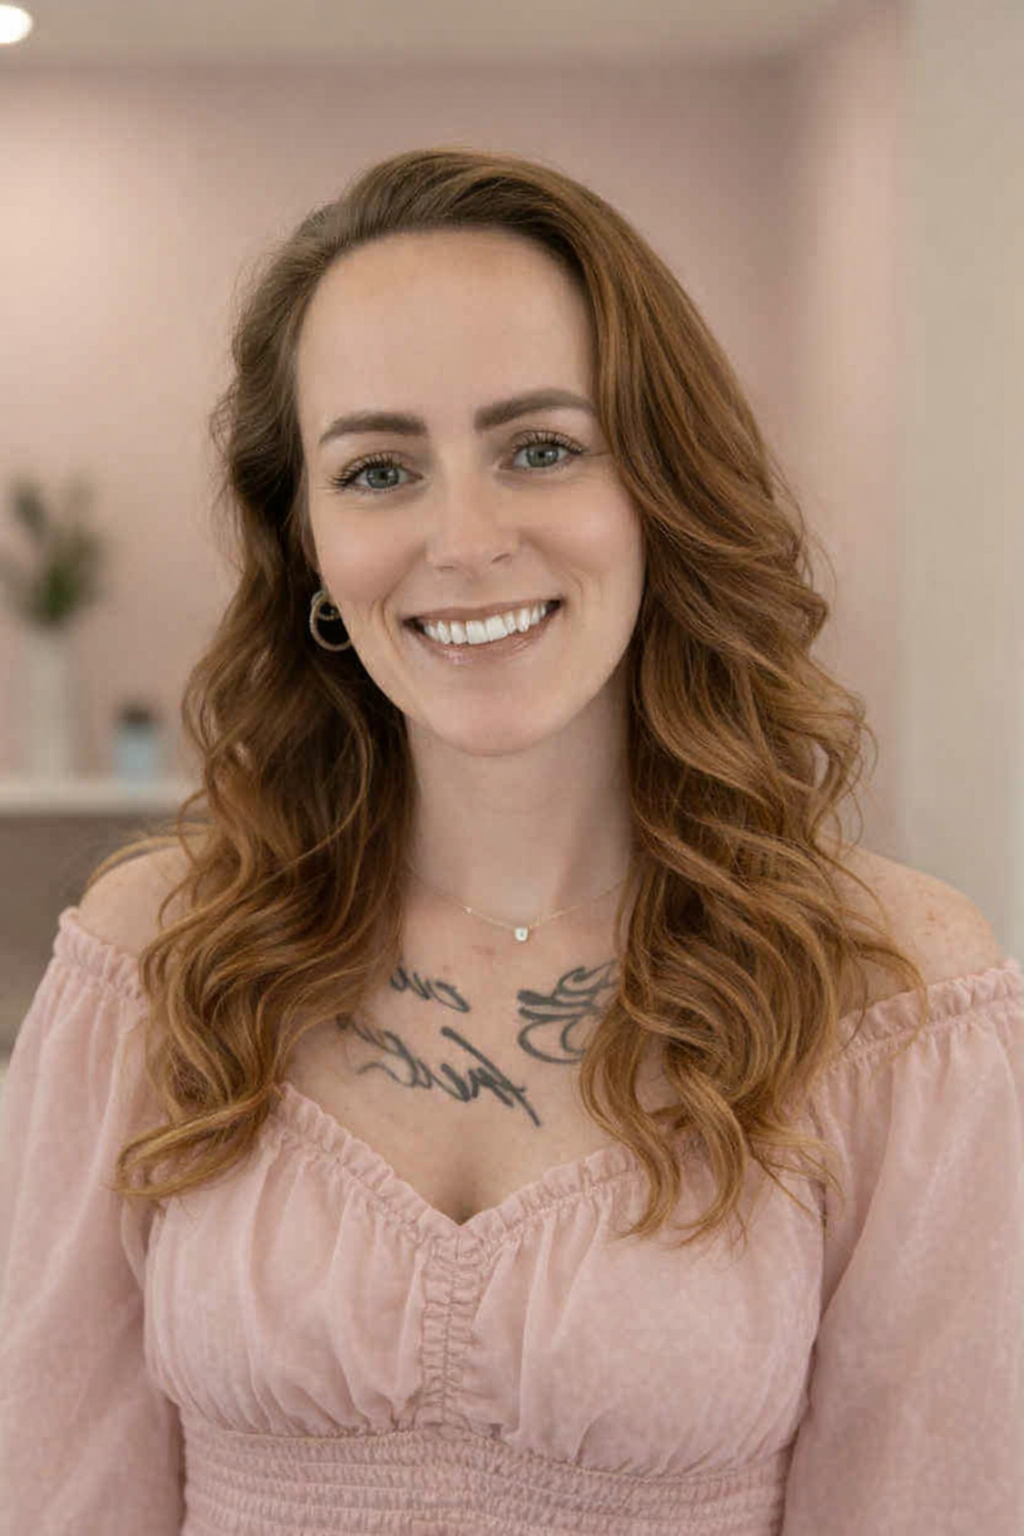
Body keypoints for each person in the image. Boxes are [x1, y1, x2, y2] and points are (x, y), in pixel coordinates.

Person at [0, 147, 1020, 1535]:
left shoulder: (894, 994)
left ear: (660, 487)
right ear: (304, 539)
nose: (463, 539)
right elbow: (48, 1491)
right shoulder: (154, 958)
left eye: (541, 447)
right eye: (376, 471)